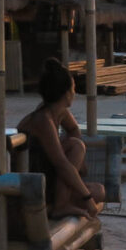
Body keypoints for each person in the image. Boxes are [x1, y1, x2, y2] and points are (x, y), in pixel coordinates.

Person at [17, 58, 105, 218]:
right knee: (76, 146)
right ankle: (61, 205)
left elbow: (73, 129)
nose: (74, 92)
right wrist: (87, 199)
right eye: (73, 88)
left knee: (99, 191)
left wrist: (80, 161)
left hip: (49, 175)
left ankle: (60, 203)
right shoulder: (43, 119)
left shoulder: (58, 112)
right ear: (66, 93)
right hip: (34, 182)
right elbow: (62, 164)